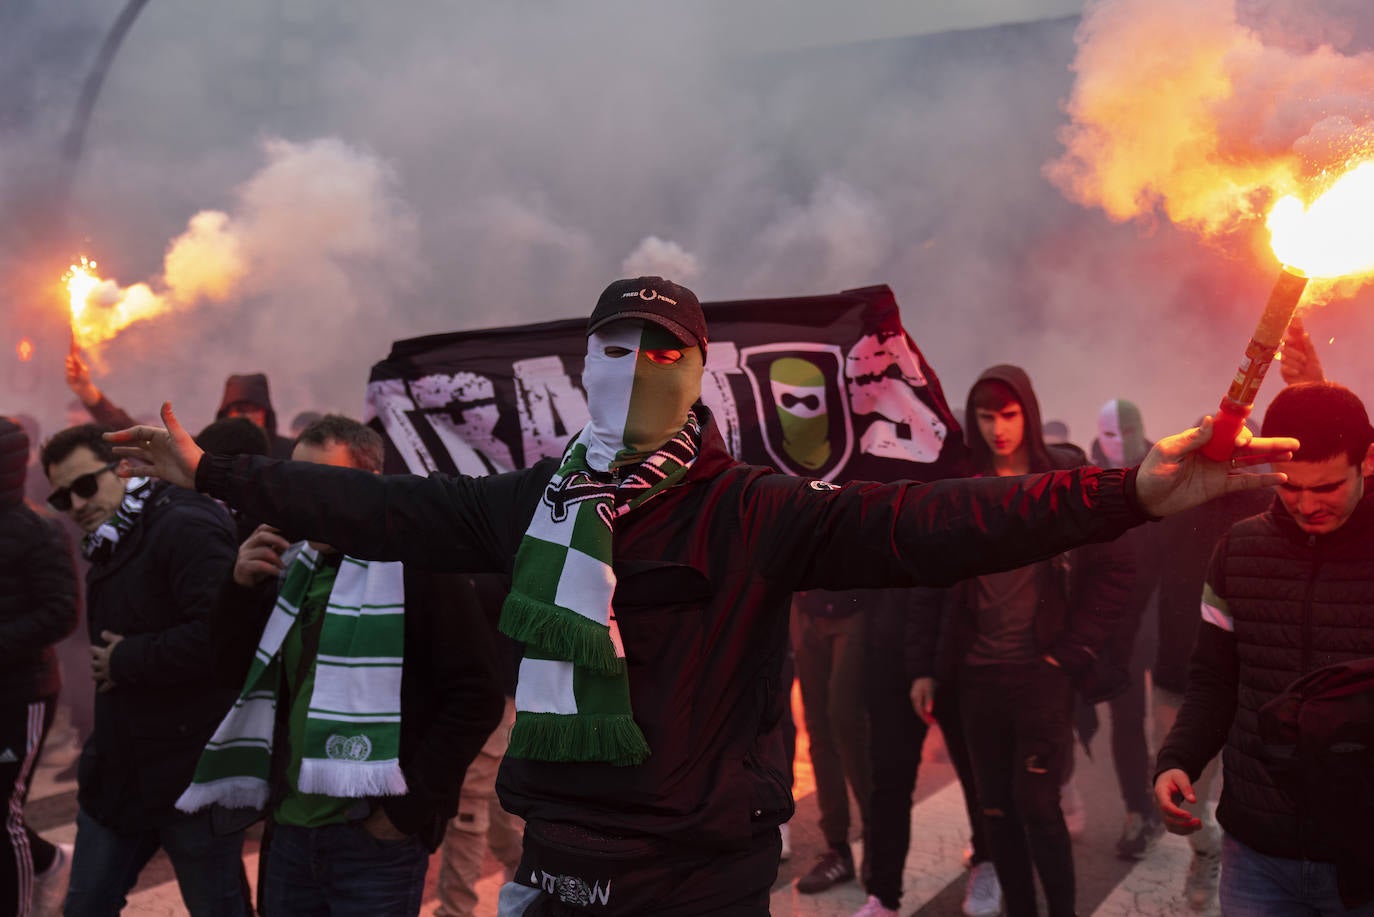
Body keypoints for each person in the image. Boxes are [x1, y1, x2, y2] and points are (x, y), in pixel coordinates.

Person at [108, 276, 1293, 917]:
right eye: (611, 346)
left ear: (700, 368)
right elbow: (377, 510)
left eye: (660, 348)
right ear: (583, 366)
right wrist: (218, 473)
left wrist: (1128, 489)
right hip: (555, 864)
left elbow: (938, 521)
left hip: (697, 874)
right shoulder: (530, 498)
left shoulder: (757, 509)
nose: (632, 367)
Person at [176, 414, 504, 916]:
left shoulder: (421, 568)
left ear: (368, 489)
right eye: (297, 484)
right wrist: (239, 589)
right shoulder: (284, 564)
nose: (305, 502)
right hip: (289, 831)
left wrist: (403, 812)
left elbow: (475, 696)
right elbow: (225, 671)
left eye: (324, 485)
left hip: (373, 841)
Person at [1154, 381, 1374, 916]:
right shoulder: (1237, 549)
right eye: (1289, 486)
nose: (1306, 504)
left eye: (1326, 487)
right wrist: (1177, 759)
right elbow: (1213, 678)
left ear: (1367, 462)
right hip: (1257, 850)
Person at [931, 367, 1133, 917]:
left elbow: (1117, 567)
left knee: (1039, 807)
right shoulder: (960, 486)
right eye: (987, 416)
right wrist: (926, 667)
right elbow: (929, 581)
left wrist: (1070, 651)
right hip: (976, 676)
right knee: (995, 811)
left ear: (1030, 414)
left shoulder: (1063, 477)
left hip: (1039, 674)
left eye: (1010, 415)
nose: (999, 428)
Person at [40, 425, 246, 916]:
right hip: (120, 776)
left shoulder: (185, 525)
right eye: (62, 496)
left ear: (123, 468)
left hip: (191, 773)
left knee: (217, 906)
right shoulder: (110, 536)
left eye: (86, 485)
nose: (77, 504)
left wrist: (127, 659)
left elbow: (227, 637)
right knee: (86, 905)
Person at [1, 417, 79, 917]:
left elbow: (62, 612)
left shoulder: (38, 529)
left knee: (4, 813)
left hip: (20, 692)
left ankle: (27, 897)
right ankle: (50, 860)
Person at [1090, 398, 1166, 860]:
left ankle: (1156, 803)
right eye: (1112, 434)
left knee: (1167, 717)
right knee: (1126, 718)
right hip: (1117, 619)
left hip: (1160, 611)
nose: (1121, 443)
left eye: (1129, 431)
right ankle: (1137, 811)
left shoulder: (1166, 465)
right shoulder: (1086, 476)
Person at [435, 574, 526, 917]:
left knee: (470, 799)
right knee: (493, 799)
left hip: (495, 690)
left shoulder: (509, 545)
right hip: (476, 689)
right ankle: (531, 873)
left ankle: (455, 910)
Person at [790, 588, 871, 895]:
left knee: (847, 721)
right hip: (805, 607)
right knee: (819, 731)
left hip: (852, 603)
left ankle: (876, 835)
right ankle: (838, 849)